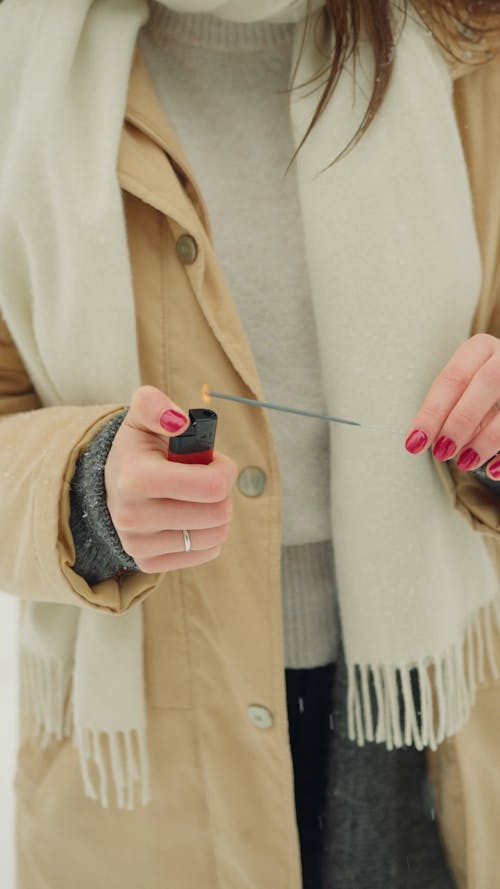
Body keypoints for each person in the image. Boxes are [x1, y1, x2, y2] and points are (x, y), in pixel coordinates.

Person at [0, 1, 499, 887]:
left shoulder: (470, 35)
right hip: (143, 782)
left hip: (437, 714)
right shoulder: (19, 62)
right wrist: (87, 491)